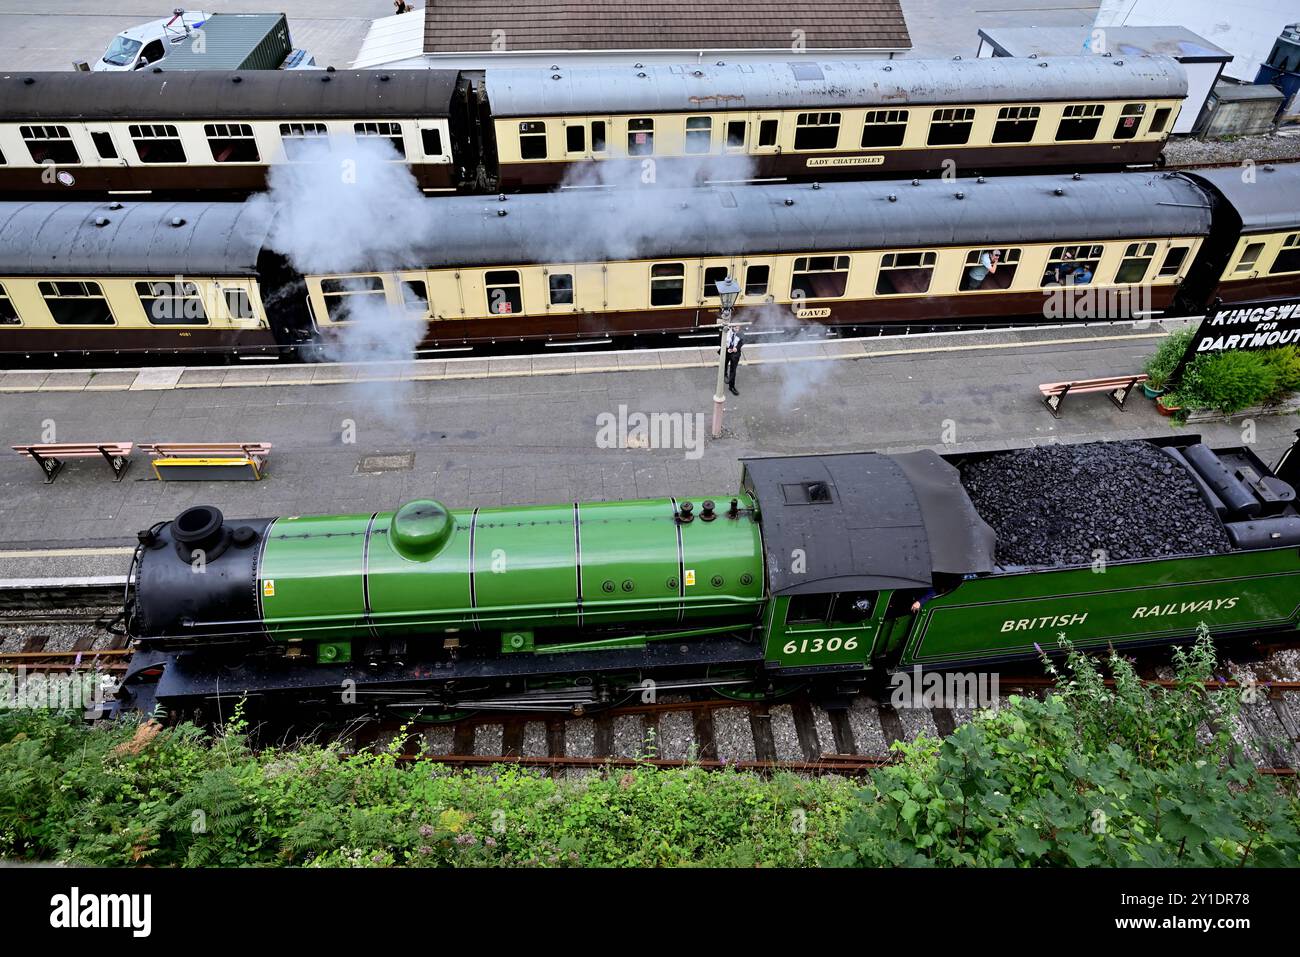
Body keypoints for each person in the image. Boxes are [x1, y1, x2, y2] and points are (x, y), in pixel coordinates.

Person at [723, 325, 744, 396]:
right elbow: (720, 341)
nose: (737, 329)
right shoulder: (726, 332)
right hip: (726, 352)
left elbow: (742, 342)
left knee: (733, 370)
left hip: (735, 354)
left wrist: (737, 348)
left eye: (738, 328)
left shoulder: (741, 333)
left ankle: (731, 387)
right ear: (732, 327)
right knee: (724, 364)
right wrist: (726, 348)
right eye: (736, 328)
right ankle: (724, 374)